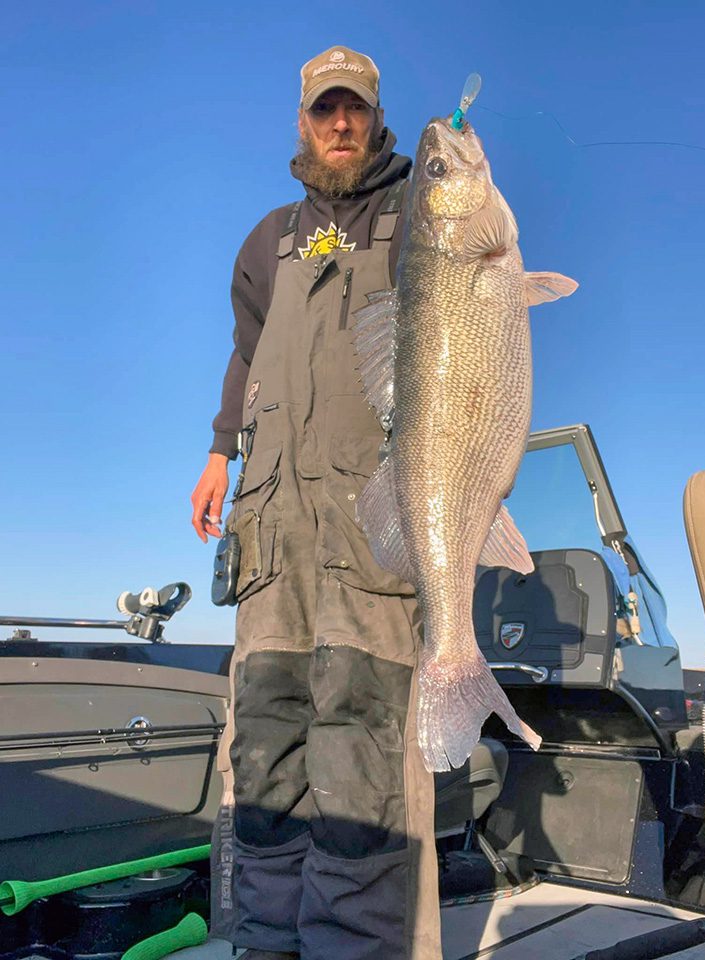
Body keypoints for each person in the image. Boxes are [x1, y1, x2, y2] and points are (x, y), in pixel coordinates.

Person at [191, 46, 441, 960]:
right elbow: (246, 351)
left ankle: (354, 948)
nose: (341, 124)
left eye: (356, 110)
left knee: (358, 754)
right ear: (303, 120)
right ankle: (267, 944)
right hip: (270, 537)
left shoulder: (417, 212)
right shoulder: (268, 239)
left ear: (377, 119)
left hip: (371, 526)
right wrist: (220, 453)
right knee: (266, 749)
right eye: (325, 109)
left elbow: (468, 303)